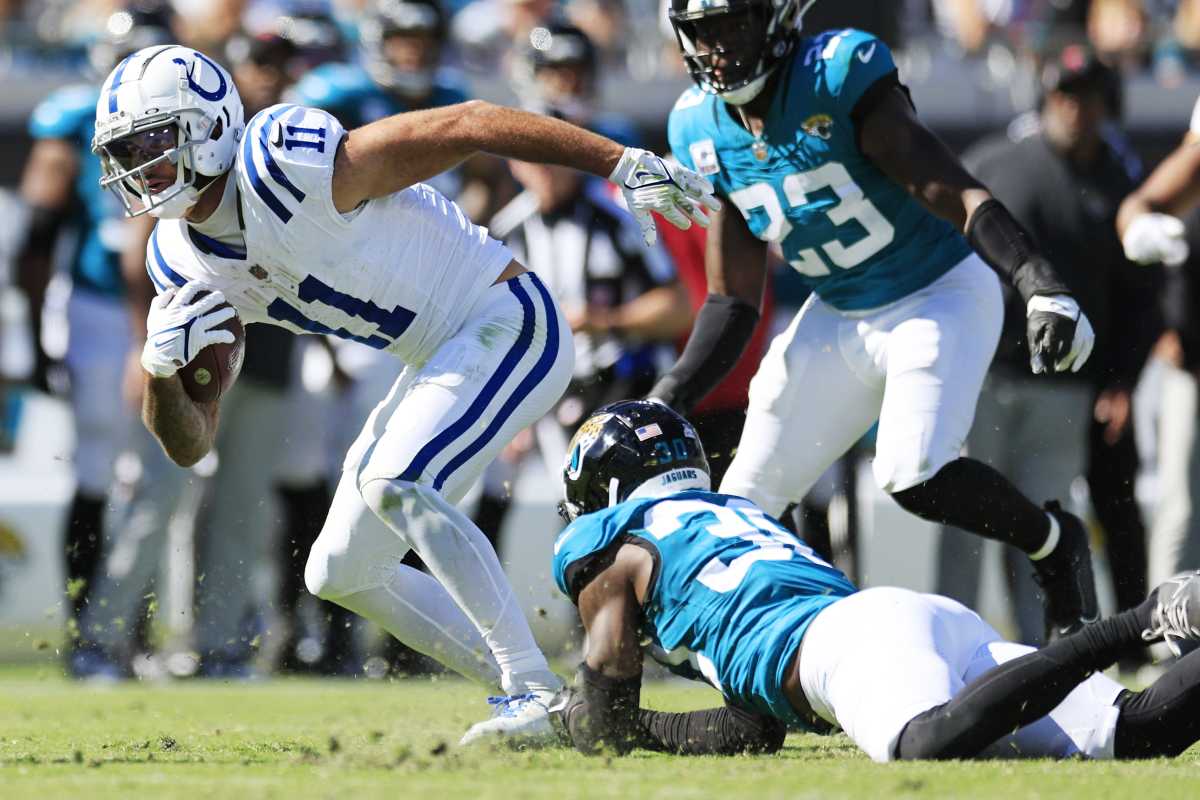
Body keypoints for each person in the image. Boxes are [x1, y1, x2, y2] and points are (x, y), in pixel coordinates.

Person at [92, 43, 716, 735]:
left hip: (504, 316)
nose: (137, 165)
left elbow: (469, 122)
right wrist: (158, 371)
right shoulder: (179, 261)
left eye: (153, 139)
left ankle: (530, 688)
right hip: (434, 355)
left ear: (209, 128)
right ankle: (557, 703)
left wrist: (620, 161)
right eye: (125, 150)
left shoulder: (288, 167)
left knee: (398, 482)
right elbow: (190, 445)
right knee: (338, 571)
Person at [652, 0, 1100, 638]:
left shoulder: (835, 75)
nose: (717, 49)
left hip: (936, 290)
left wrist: (1034, 278)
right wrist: (666, 399)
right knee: (742, 504)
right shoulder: (698, 127)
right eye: (702, 33)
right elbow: (733, 300)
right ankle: (762, 664)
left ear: (775, 19)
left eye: (730, 27)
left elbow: (953, 190)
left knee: (910, 470)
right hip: (840, 310)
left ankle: (1054, 543)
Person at [548, 400, 1200, 760]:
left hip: (848, 646)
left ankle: (1142, 619)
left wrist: (585, 718)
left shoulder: (615, 546)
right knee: (1142, 729)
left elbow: (606, 707)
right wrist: (645, 730)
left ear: (603, 489)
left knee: (923, 743)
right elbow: (751, 731)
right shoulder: (729, 518)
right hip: (899, 627)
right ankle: (1157, 617)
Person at [939, 46, 1160, 646]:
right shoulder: (998, 163)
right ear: (1045, 98)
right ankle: (942, 650)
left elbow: (1141, 296)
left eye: (1086, 97)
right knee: (961, 521)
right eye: (1064, 95)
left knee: (1043, 524)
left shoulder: (1122, 183)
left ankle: (1041, 660)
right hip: (984, 376)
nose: (1074, 109)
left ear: (1105, 104)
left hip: (1064, 386)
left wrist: (1122, 379)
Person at [14, 3, 187, 677]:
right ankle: (90, 632)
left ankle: (125, 635)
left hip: (167, 307)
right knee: (98, 476)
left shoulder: (194, 118)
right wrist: (36, 341)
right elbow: (36, 238)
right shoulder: (71, 116)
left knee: (153, 483)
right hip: (99, 313)